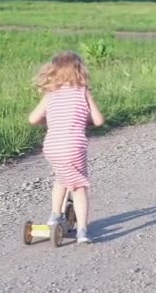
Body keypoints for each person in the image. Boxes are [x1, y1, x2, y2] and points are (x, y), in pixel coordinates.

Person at [29, 51, 105, 244]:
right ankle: (82, 231)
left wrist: (49, 121)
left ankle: (55, 216)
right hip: (74, 146)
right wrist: (84, 121)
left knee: (61, 178)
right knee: (79, 187)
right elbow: (99, 120)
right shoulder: (83, 92)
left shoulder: (50, 94)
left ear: (53, 72)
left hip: (52, 145)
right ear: (80, 71)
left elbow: (32, 119)